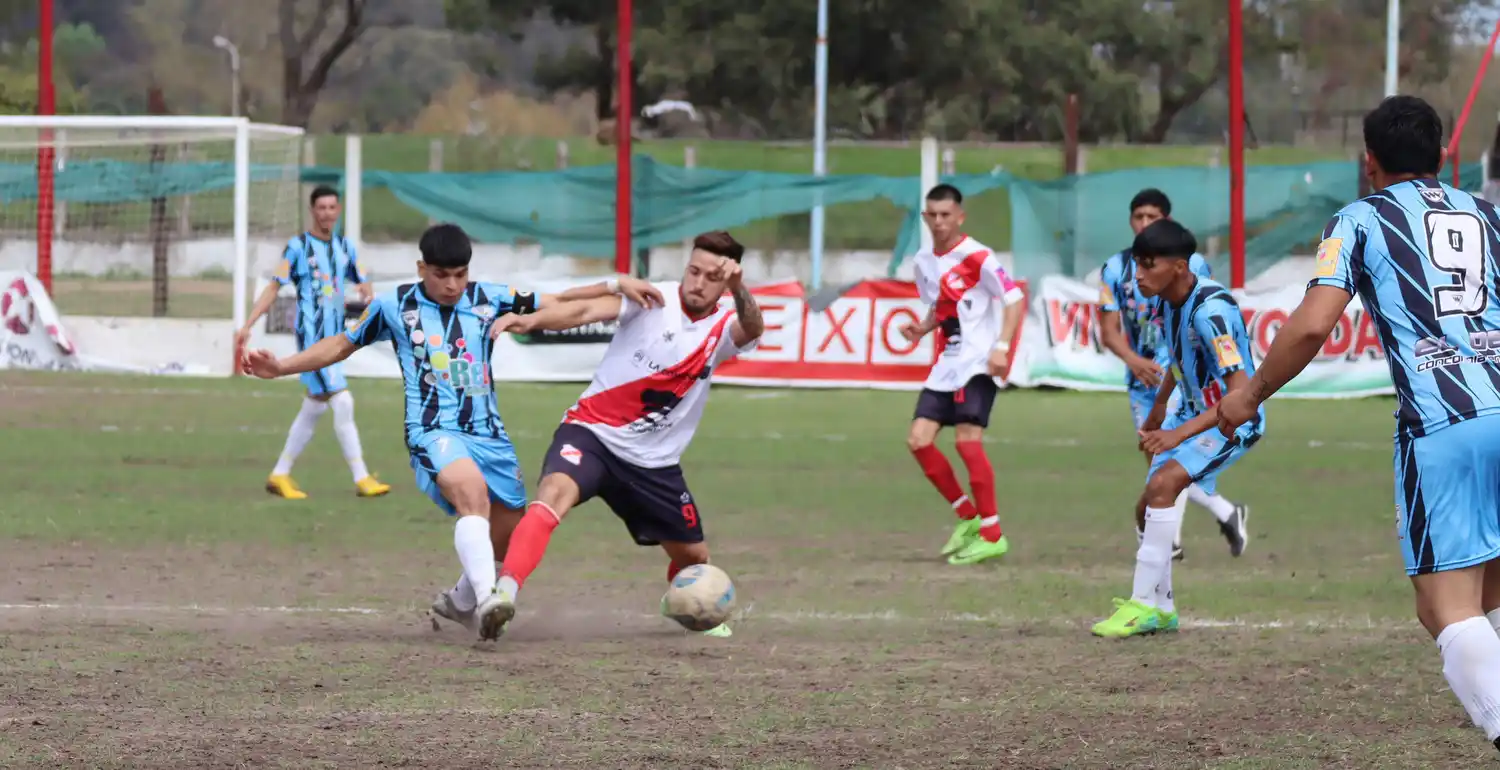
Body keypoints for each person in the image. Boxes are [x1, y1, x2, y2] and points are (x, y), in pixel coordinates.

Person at [1217, 95, 1500, 753]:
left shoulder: (1358, 219)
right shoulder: (1487, 213)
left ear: (1367, 161)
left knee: (1443, 609)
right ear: (1443, 156)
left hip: (1444, 423)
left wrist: (1252, 391)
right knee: (1481, 597)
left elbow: (1316, 322)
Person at [242, 223, 664, 641]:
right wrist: (281, 366)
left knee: (508, 537)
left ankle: (461, 601)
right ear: (422, 267)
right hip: (433, 430)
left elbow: (559, 301)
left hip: (489, 434)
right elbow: (339, 345)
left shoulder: (488, 298)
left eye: (460, 274)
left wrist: (617, 284)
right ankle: (485, 602)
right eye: (442, 275)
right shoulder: (394, 306)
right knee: (471, 496)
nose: (452, 285)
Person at [477, 230, 765, 640]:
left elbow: (752, 327)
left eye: (710, 278)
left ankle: (684, 605)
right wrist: (532, 321)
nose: (697, 283)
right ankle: (502, 595)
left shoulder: (723, 324)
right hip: (591, 434)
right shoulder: (653, 299)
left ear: (726, 282)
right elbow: (582, 314)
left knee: (695, 558)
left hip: (653, 465)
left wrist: (740, 290)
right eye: (693, 270)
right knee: (552, 495)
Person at [1091, 218, 1265, 639]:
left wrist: (1178, 433)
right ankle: (1162, 608)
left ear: (1180, 267)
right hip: (1188, 411)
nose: (1138, 276)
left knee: (1164, 485)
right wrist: (1162, 406)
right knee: (1146, 506)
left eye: (1148, 265)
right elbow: (1178, 357)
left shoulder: (1213, 312)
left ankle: (1139, 606)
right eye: (1136, 264)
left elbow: (1241, 397)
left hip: (1231, 422)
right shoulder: (1166, 299)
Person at [1097, 188, 1249, 561]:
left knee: (1169, 468)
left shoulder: (1191, 270)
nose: (1144, 223)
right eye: (1139, 217)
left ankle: (1168, 544)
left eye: (1153, 217)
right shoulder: (1114, 269)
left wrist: (1170, 385)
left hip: (1182, 379)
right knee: (1158, 464)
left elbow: (1198, 331)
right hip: (1141, 381)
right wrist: (1134, 361)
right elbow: (1108, 330)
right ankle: (1225, 513)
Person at [899, 184, 1025, 566]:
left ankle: (992, 533)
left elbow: (1014, 299)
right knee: (918, 440)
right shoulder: (923, 261)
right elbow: (941, 304)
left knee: (968, 442)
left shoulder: (978, 257)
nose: (939, 222)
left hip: (979, 362)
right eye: (932, 215)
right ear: (925, 217)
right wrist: (922, 329)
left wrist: (1001, 347)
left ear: (960, 217)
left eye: (946, 215)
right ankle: (968, 518)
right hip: (947, 363)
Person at [236, 185, 388, 499]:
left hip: (335, 339)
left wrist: (367, 294)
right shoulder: (297, 247)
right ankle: (361, 478)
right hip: (311, 337)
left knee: (315, 406)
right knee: (342, 400)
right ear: (312, 211)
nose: (327, 213)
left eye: (332, 207)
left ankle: (280, 474)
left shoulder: (345, 247)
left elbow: (363, 279)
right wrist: (249, 324)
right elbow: (274, 287)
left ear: (339, 210)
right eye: (321, 208)